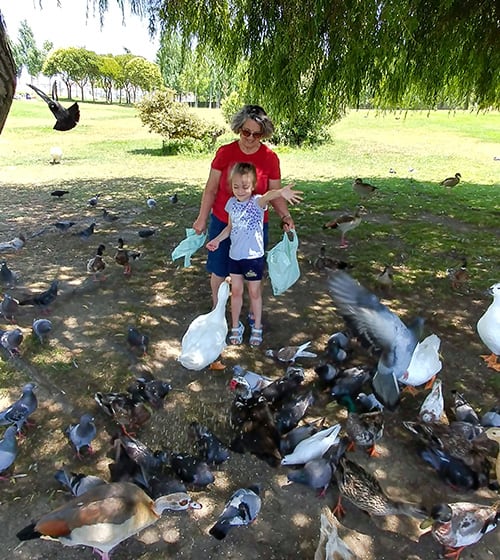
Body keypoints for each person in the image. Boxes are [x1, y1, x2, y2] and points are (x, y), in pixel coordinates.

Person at [193, 105, 295, 311]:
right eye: (245, 132)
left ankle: (252, 311)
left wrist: (286, 217)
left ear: (263, 134)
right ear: (238, 128)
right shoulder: (225, 153)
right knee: (220, 271)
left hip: (254, 229)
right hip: (223, 221)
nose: (250, 138)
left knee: (252, 273)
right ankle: (217, 310)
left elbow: (274, 193)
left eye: (256, 135)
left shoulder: (270, 158)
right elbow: (211, 189)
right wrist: (202, 218)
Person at [206, 162, 302, 346]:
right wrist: (217, 240)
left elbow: (268, 195)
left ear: (253, 186)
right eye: (236, 186)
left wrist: (281, 192)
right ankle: (236, 327)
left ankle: (257, 327)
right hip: (235, 257)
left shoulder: (258, 202)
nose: (240, 190)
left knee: (255, 292)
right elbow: (229, 227)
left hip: (253, 258)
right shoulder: (231, 204)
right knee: (236, 292)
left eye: (245, 186)